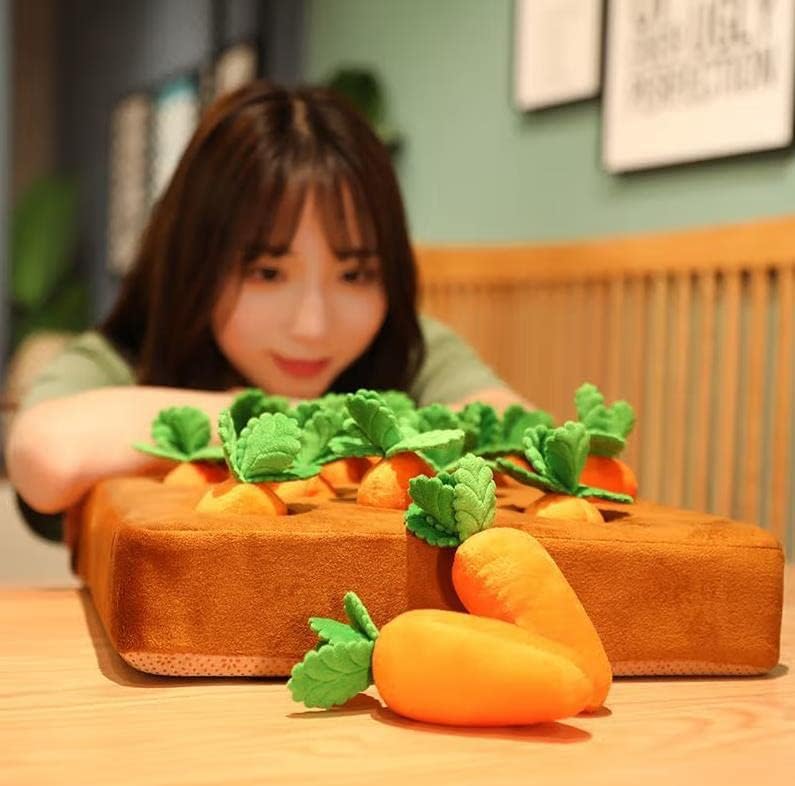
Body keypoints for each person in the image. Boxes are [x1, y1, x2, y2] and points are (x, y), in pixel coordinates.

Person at [5, 81, 526, 519]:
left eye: (355, 274)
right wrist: (307, 422)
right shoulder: (126, 356)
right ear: (196, 262)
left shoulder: (408, 346)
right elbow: (47, 456)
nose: (312, 326)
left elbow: (520, 434)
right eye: (268, 272)